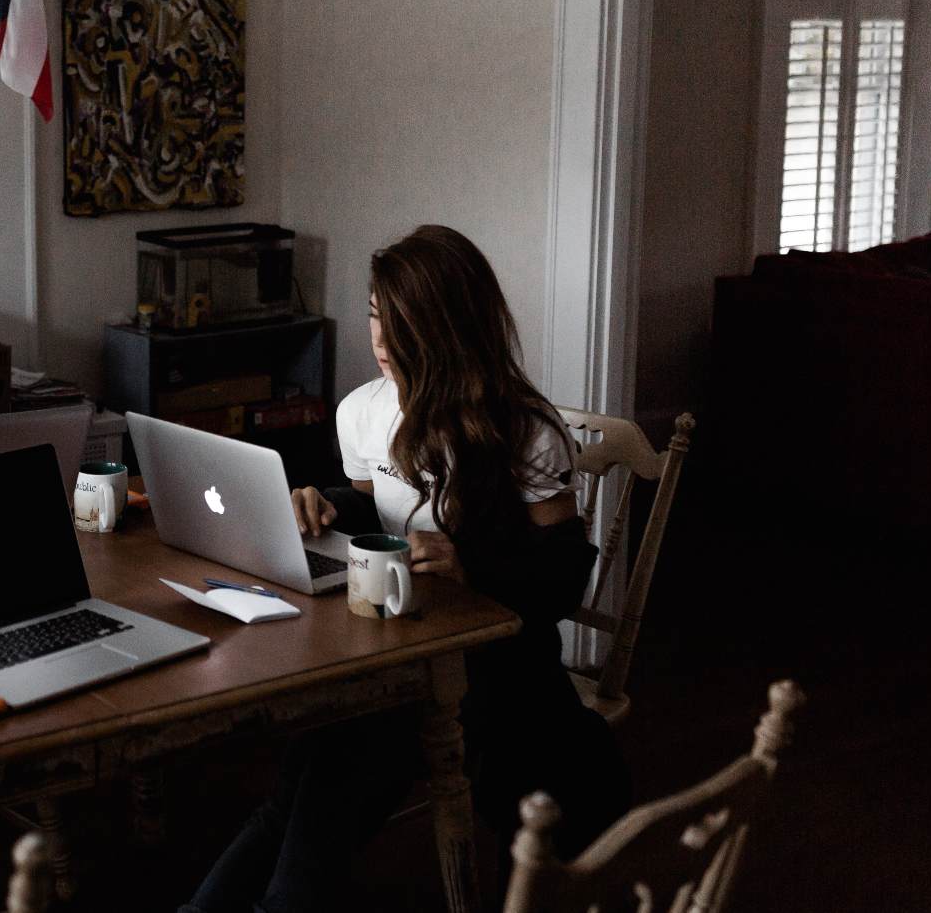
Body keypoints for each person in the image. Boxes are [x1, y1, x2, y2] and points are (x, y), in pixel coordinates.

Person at [183, 225, 629, 913]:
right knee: (303, 783)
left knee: (335, 766)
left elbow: (565, 577)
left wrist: (470, 564)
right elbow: (371, 512)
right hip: (391, 647)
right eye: (373, 314)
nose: (381, 339)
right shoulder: (363, 413)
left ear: (450, 327)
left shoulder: (525, 431)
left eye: (402, 323)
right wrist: (320, 505)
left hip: (487, 667)